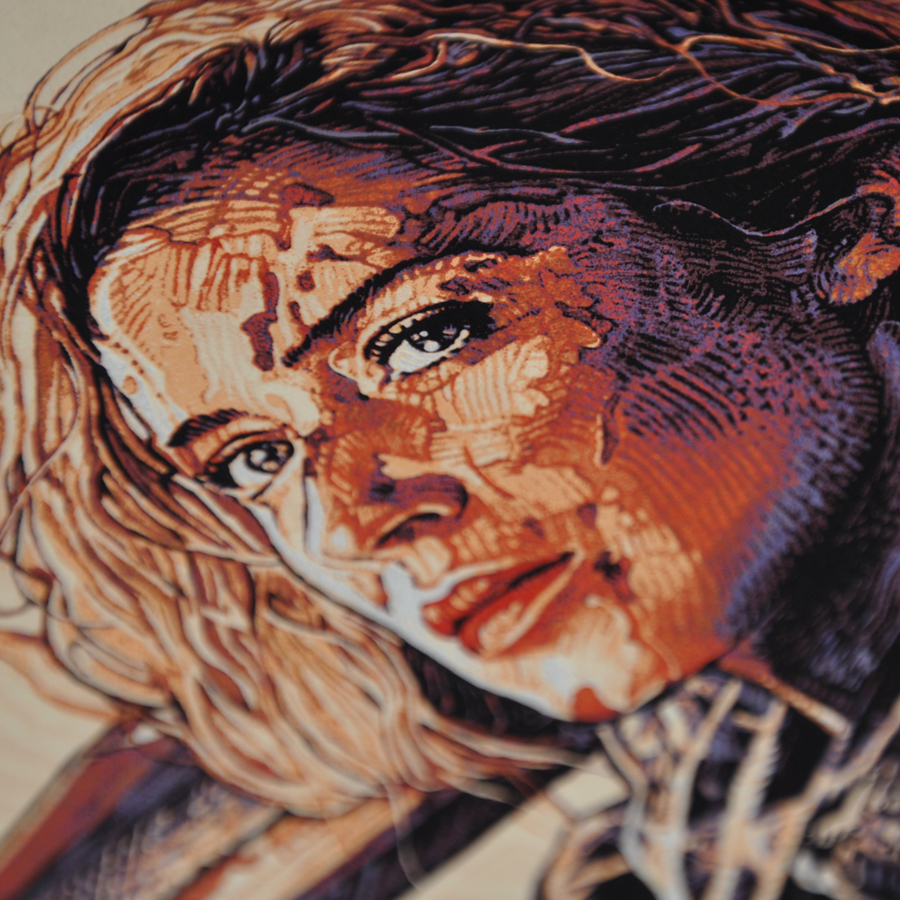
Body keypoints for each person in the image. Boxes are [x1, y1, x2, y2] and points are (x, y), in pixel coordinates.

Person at [3, 0, 900, 895]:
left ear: (856, 229)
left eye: (425, 338)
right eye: (255, 458)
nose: (348, 527)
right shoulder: (725, 763)